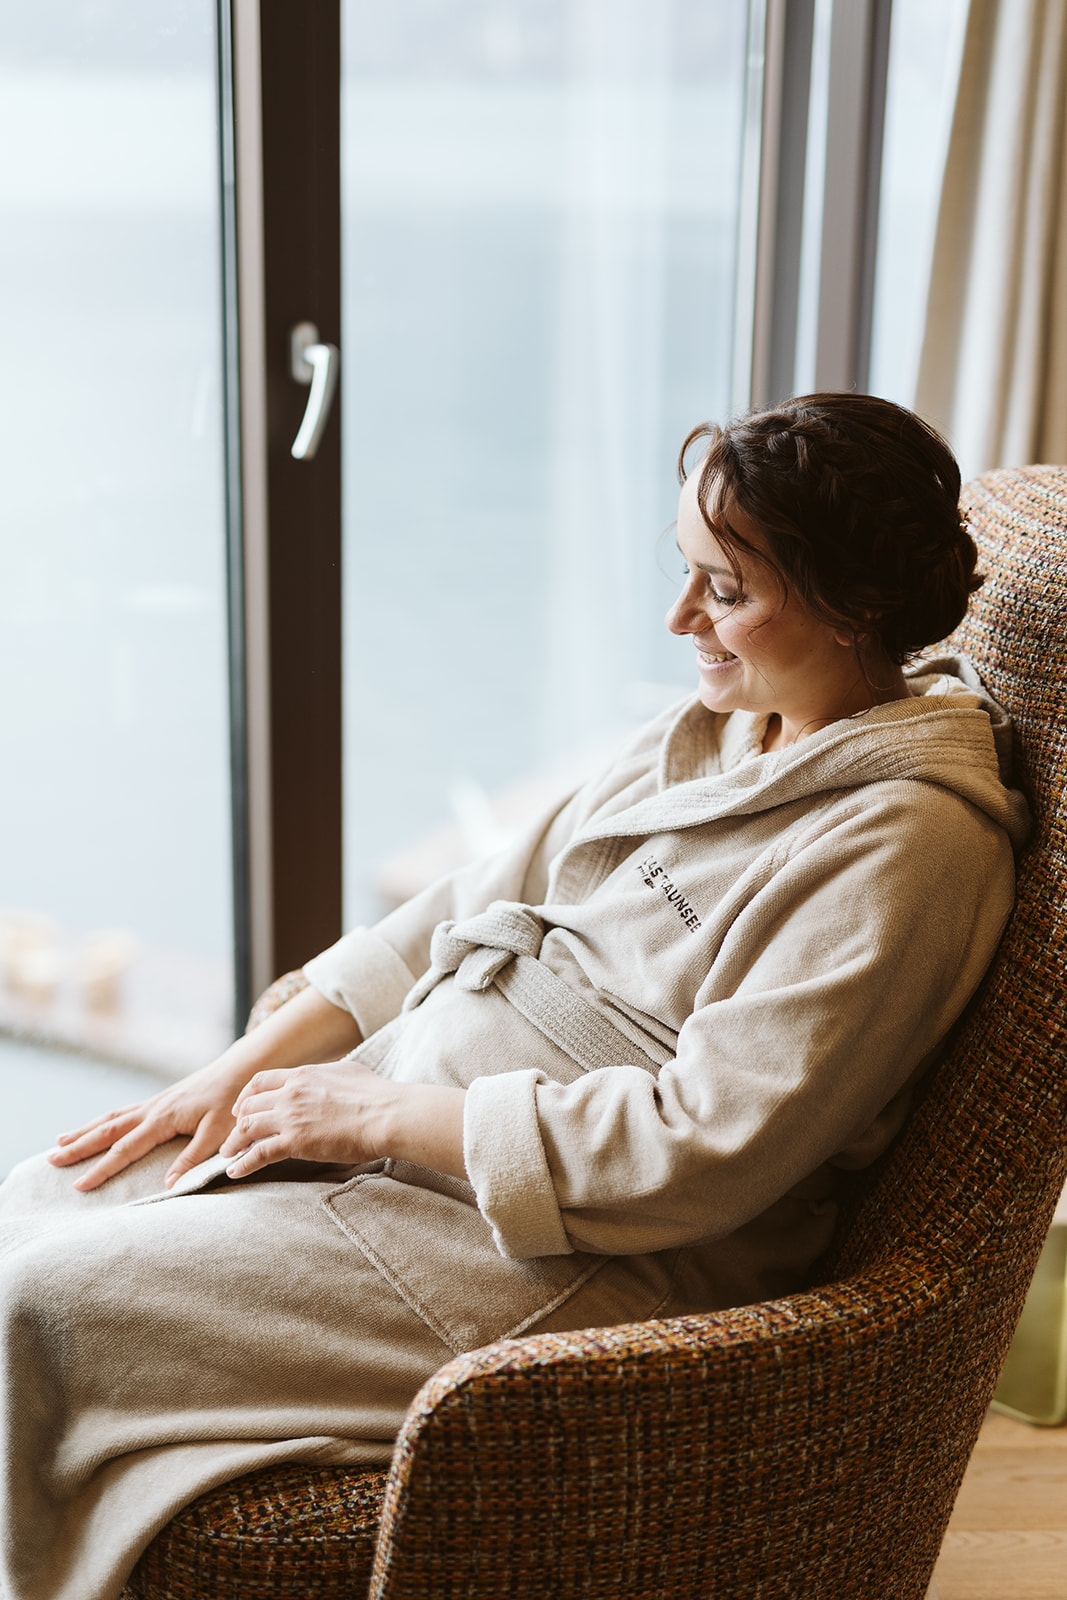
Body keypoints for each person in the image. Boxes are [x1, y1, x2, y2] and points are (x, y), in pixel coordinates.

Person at [0, 393, 1028, 1600]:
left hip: (568, 1240)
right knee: (54, 1191)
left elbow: (703, 1149)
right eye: (684, 570)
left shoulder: (908, 847)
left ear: (856, 605)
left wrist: (372, 1119)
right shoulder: (716, 728)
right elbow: (457, 901)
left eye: (725, 591)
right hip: (419, 1115)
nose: (678, 616)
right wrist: (242, 1064)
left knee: (39, 1304)